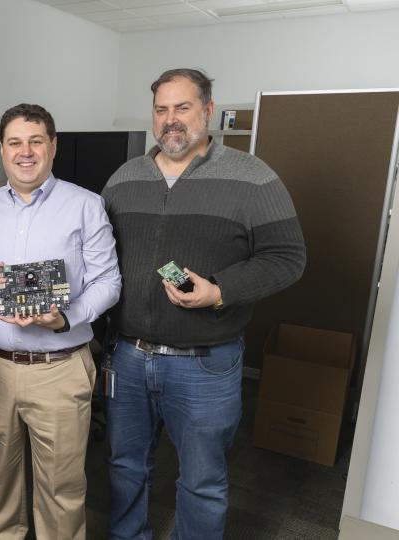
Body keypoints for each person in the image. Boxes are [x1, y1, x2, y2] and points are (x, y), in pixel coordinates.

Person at [101, 68, 306, 539]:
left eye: (183, 107)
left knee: (202, 482)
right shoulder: (123, 178)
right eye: (161, 109)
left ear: (208, 111)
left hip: (205, 364)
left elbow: (289, 258)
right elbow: (97, 255)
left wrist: (220, 290)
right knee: (125, 467)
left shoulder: (253, 178)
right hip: (128, 357)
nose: (171, 120)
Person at [0, 103, 122, 539]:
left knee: (61, 487)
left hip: (58, 370)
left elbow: (109, 282)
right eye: (14, 142)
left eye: (35, 141)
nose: (25, 152)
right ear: (2, 150)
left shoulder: (86, 206)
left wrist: (67, 318)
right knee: (1, 480)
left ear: (53, 146)